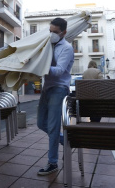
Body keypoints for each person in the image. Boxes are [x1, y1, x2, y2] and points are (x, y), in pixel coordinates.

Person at [37, 17, 74, 176]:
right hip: (47, 88)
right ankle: (64, 139)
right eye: (50, 31)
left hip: (59, 89)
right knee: (40, 123)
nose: (51, 34)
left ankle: (52, 163)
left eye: (55, 32)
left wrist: (40, 66)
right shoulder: (48, 44)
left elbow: (59, 71)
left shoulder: (66, 48)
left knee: (52, 126)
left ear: (64, 32)